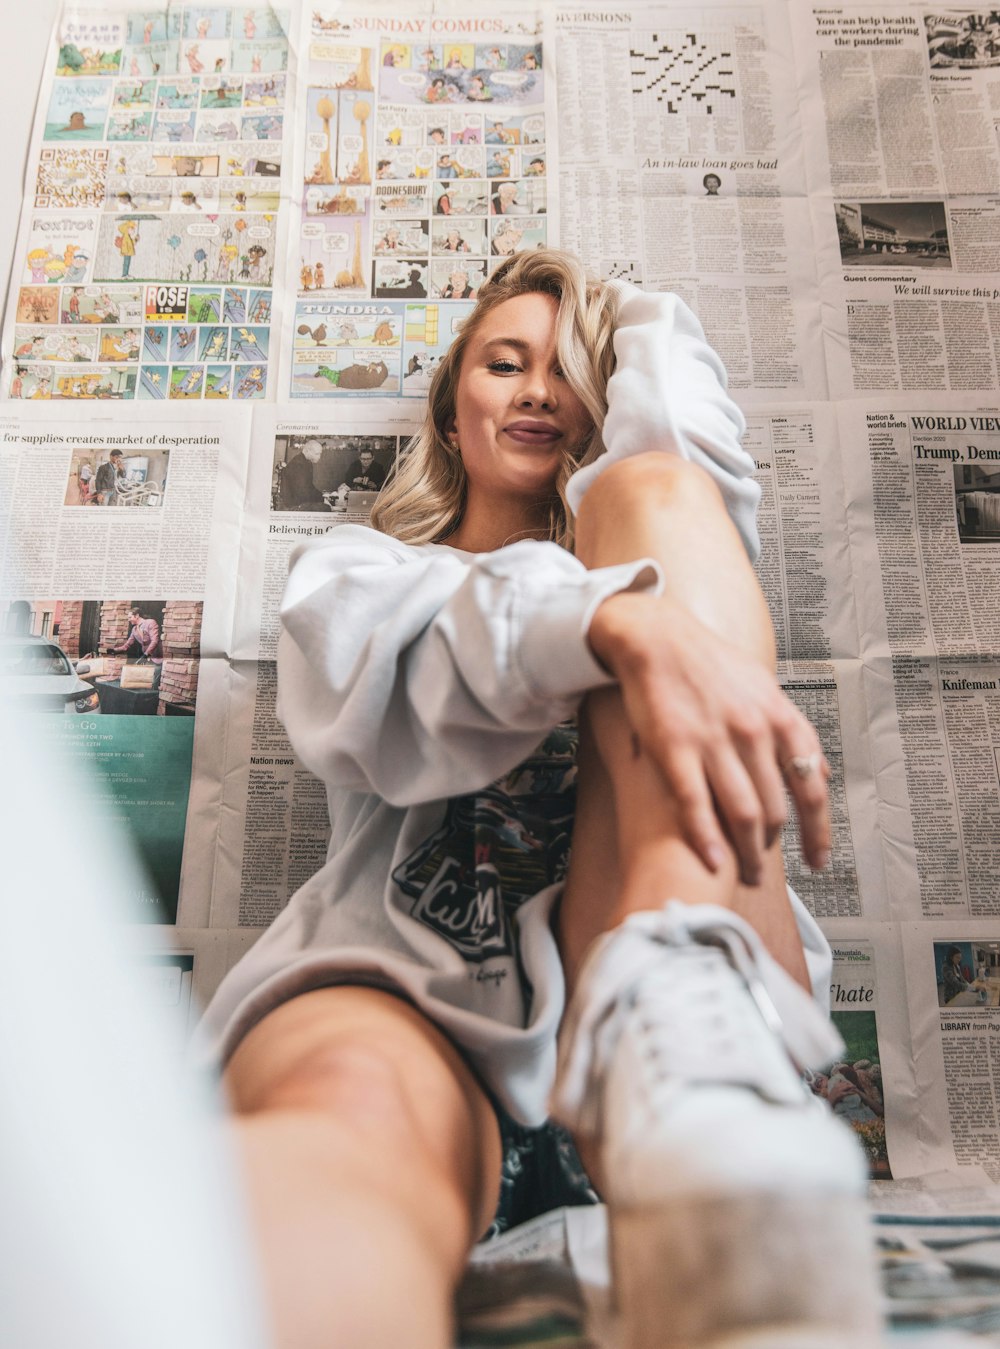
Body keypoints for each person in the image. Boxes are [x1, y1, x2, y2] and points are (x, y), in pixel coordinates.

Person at [201, 249, 879, 1347]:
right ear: (450, 408)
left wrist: (620, 314)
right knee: (342, 1110)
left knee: (658, 490)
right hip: (412, 995)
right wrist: (614, 622)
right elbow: (386, 678)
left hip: (664, 997)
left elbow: (676, 455)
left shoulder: (665, 539)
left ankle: (681, 1014)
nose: (535, 392)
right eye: (503, 364)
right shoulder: (360, 569)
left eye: (567, 371)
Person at [113, 605, 163, 685]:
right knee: (147, 682)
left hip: (157, 657)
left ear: (136, 616)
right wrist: (115, 650)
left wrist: (146, 654)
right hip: (147, 659)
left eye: (130, 617)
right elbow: (127, 645)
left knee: (154, 682)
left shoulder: (150, 622)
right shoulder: (134, 629)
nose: (129, 620)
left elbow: (155, 641)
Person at [278, 439, 324, 511]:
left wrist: (322, 496)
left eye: (320, 454)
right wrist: (321, 498)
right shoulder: (298, 464)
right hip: (293, 505)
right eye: (317, 454)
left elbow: (309, 486)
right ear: (308, 451)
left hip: (299, 502)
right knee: (326, 508)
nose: (319, 457)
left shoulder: (307, 462)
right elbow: (303, 493)